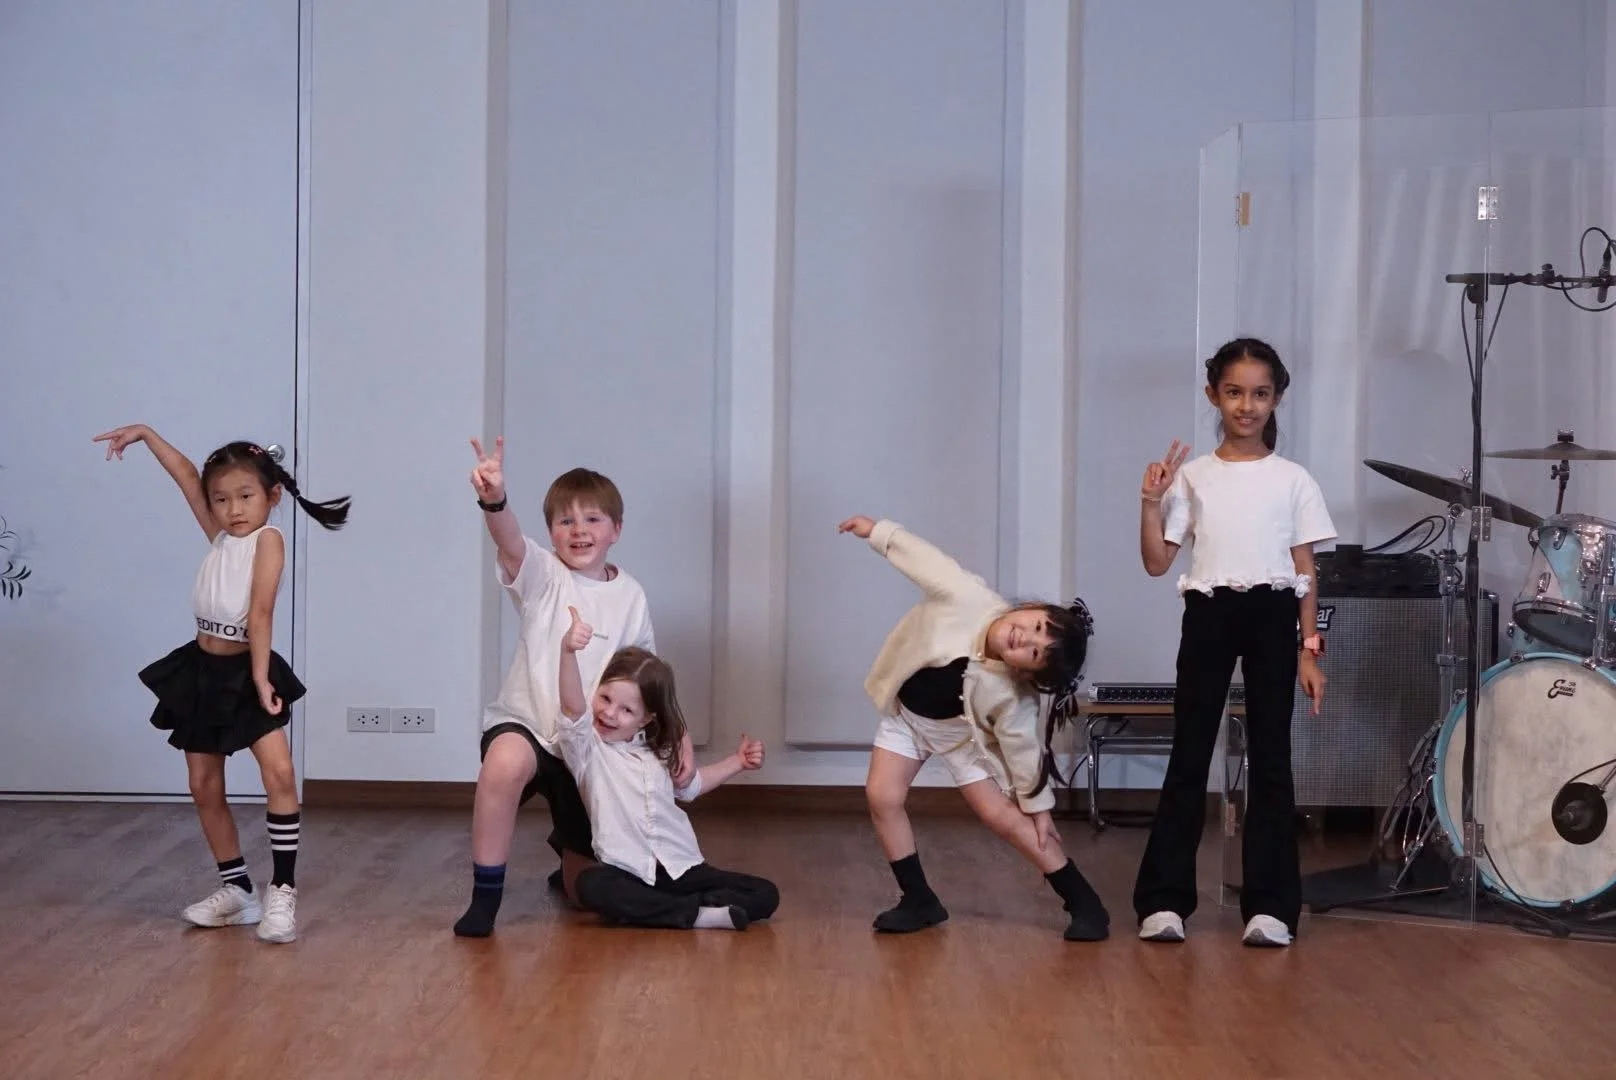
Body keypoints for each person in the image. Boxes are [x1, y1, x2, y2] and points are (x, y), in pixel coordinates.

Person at [93, 424, 350, 944]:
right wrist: (146, 435)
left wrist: (259, 677)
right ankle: (238, 890)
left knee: (279, 774)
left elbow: (261, 612)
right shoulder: (220, 534)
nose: (234, 509)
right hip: (202, 669)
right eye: (222, 499)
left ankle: (283, 890)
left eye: (245, 496)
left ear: (272, 496)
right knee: (203, 783)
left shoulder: (268, 540)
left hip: (248, 670)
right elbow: (187, 475)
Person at [1134, 337, 1335, 948]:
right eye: (1234, 392)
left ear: (1277, 399)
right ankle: (1164, 901)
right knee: (1190, 751)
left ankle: (1271, 908)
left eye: (1260, 394)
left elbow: (1305, 569)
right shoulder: (1193, 477)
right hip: (1209, 612)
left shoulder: (1293, 480)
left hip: (1273, 614)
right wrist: (1150, 502)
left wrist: (1308, 648)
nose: (1247, 406)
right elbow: (1156, 563)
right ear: (1213, 395)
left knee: (1272, 757)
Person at [454, 436, 693, 937]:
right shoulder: (544, 575)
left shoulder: (631, 595)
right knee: (504, 765)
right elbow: (509, 541)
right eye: (566, 521)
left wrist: (681, 734)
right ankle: (485, 896)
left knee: (587, 892)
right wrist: (494, 500)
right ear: (551, 533)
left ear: (616, 530)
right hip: (528, 724)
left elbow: (648, 675)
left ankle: (568, 858)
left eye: (592, 520)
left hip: (589, 743)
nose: (578, 530)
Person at [838, 515, 1109, 941]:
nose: (1025, 639)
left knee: (1002, 817)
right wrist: (878, 533)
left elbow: (1023, 750)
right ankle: (919, 899)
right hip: (907, 716)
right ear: (1030, 608)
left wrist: (1037, 806)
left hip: (962, 736)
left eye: (1034, 653)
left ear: (1027, 672)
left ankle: (1082, 900)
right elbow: (926, 560)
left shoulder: (1013, 693)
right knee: (882, 796)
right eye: (1036, 626)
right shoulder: (968, 596)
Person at [558, 619, 779, 930]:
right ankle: (697, 915)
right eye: (605, 698)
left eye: (626, 710)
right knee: (591, 886)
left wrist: (737, 762)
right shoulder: (589, 751)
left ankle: (670, 907)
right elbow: (572, 710)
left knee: (766, 893)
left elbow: (691, 787)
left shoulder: (657, 753)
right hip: (629, 870)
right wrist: (568, 652)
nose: (609, 713)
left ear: (646, 719)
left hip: (682, 866)